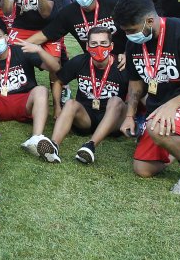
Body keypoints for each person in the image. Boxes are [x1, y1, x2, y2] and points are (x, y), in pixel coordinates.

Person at [115, 0, 180, 195]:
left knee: (156, 127)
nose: (129, 35)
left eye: (132, 30)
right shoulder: (133, 43)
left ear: (150, 20)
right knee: (143, 169)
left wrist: (173, 104)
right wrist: (129, 116)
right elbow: (135, 82)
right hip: (159, 108)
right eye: (125, 31)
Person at [0, 23, 56, 152]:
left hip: (23, 101)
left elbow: (55, 68)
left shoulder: (22, 51)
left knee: (41, 90)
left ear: (6, 38)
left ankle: (36, 138)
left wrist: (39, 50)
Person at [50, 26, 129, 164]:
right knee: (70, 103)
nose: (99, 47)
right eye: (94, 44)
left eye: (103, 43)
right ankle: (53, 146)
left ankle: (90, 146)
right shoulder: (79, 62)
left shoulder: (121, 66)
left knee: (116, 100)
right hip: (86, 117)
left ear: (112, 46)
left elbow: (136, 92)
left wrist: (132, 117)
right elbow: (58, 82)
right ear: (87, 46)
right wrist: (57, 106)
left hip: (113, 120)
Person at [25, 0, 127, 57]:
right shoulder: (68, 13)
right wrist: (16, 48)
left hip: (121, 58)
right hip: (92, 61)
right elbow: (45, 35)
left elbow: (133, 29)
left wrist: (127, 54)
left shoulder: (114, 2)